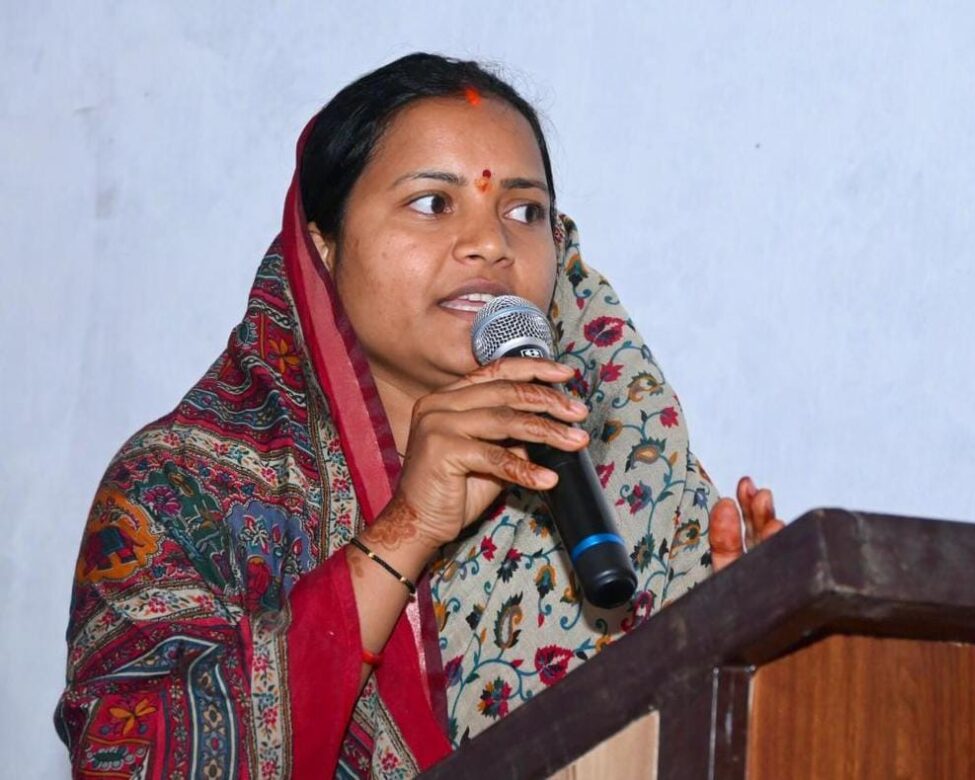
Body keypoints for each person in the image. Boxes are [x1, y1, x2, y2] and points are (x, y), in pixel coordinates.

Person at [55, 53, 783, 778]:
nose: (491, 244)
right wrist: (405, 533)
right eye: (433, 203)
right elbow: (132, 764)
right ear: (323, 246)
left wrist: (754, 661)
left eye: (524, 211)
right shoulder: (180, 492)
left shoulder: (618, 476)